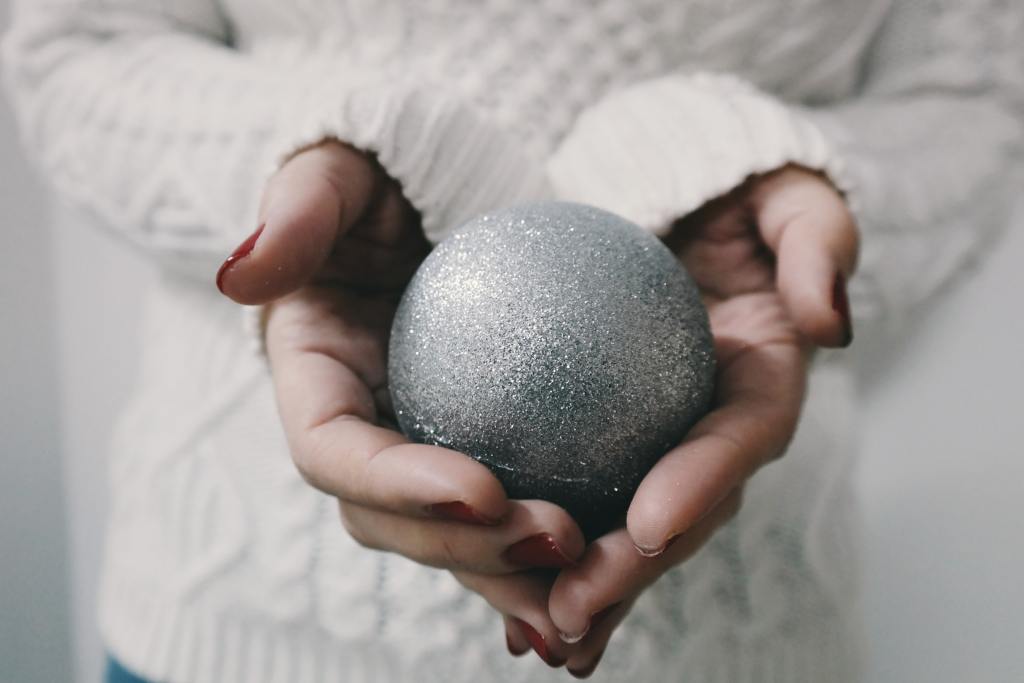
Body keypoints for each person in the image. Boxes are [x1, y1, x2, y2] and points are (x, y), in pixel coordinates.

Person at [3, 1, 1021, 681]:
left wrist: (736, 165)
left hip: (750, 631)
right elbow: (72, 44)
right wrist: (316, 160)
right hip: (232, 624)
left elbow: (975, 96)